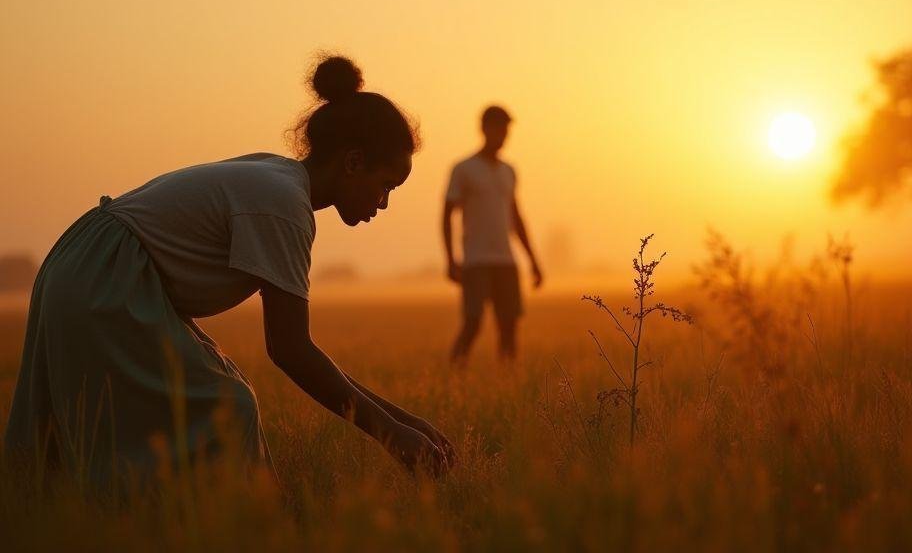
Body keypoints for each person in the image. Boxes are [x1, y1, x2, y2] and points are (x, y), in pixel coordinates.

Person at [3, 55, 454, 490]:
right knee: (226, 408)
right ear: (353, 162)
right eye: (385, 185)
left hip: (89, 264)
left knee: (163, 410)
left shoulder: (279, 178)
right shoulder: (284, 206)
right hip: (104, 278)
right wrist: (391, 434)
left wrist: (405, 421)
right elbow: (291, 350)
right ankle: (230, 523)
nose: (384, 203)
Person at [442, 105, 543, 365]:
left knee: (509, 326)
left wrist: (533, 261)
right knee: (473, 322)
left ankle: (507, 381)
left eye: (506, 130)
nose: (504, 135)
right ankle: (453, 374)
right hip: (476, 260)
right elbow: (446, 215)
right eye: (499, 129)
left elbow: (517, 218)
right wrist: (451, 260)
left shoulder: (509, 171)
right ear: (485, 129)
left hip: (506, 260)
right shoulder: (464, 169)